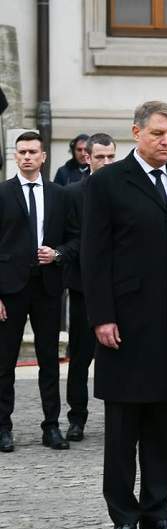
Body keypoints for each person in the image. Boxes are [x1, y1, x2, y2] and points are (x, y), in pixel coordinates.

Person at [81, 100, 167, 529]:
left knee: (163, 426)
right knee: (123, 429)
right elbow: (94, 256)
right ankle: (124, 516)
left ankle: (157, 511)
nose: (166, 142)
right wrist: (101, 316)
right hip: (126, 324)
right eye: (158, 134)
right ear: (136, 132)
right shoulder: (109, 182)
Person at [0, 131, 79, 453]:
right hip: (10, 288)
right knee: (4, 362)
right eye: (22, 152)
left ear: (44, 156)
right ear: (15, 157)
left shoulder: (60, 194)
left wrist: (58, 254)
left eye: (33, 151)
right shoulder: (2, 193)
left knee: (49, 360)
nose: (28, 157)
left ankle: (52, 426)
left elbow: (76, 239)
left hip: (48, 287)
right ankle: (3, 427)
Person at [62, 132, 116, 442]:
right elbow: (71, 239)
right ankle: (77, 418)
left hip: (121, 289)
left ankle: (119, 416)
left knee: (119, 356)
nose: (106, 162)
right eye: (100, 157)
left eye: (111, 156)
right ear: (87, 158)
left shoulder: (126, 190)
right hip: (84, 289)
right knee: (80, 357)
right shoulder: (72, 194)